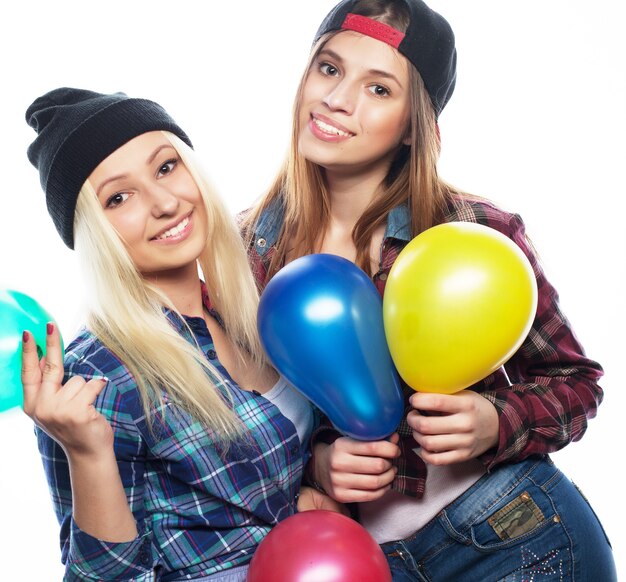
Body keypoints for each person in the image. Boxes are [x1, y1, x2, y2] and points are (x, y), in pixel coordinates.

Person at [241, 1, 617, 580]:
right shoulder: (249, 252)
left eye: (379, 89)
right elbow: (241, 429)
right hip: (366, 562)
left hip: (518, 537)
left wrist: (495, 422)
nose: (338, 101)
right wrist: (318, 463)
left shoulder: (476, 232)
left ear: (417, 125)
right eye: (330, 68)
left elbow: (576, 383)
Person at [21, 88, 339, 582]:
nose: (166, 202)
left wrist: (314, 488)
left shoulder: (250, 308)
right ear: (92, 234)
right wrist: (88, 455)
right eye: (119, 197)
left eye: (166, 167)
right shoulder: (97, 375)